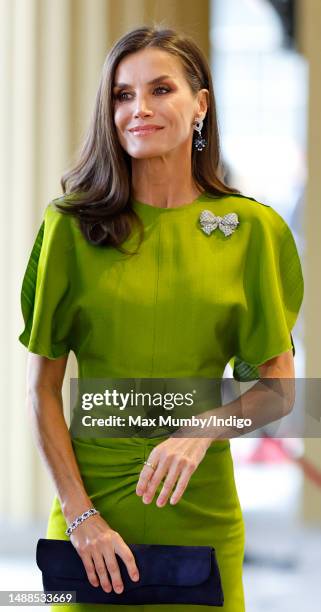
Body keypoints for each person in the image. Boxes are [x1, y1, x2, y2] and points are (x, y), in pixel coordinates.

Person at [18, 25, 304, 612]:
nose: (139, 109)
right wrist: (80, 516)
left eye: (160, 90)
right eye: (122, 95)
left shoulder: (252, 230)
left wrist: (200, 430)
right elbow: (41, 389)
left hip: (200, 512)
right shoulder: (69, 228)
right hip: (91, 518)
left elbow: (279, 391)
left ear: (200, 104)